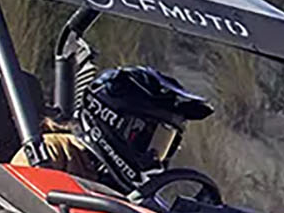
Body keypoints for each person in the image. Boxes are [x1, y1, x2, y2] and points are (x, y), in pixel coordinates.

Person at [17, 64, 214, 192]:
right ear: (111, 120)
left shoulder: (129, 188)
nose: (155, 156)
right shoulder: (51, 154)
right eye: (150, 139)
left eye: (166, 144)